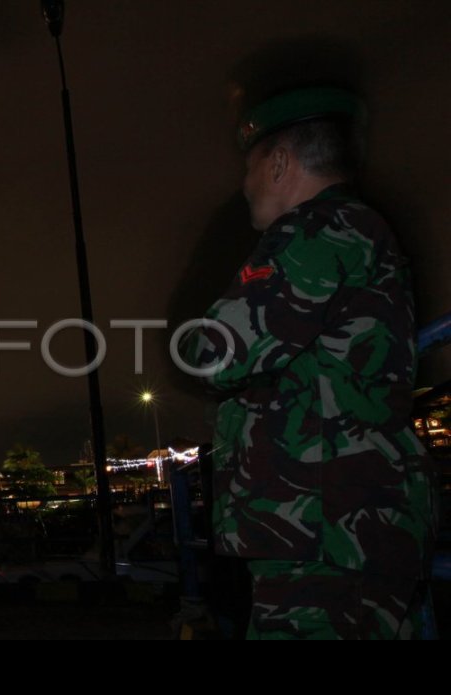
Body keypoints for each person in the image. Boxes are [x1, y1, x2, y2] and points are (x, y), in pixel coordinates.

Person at [183, 86, 438, 639]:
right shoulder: (356, 227)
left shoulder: (314, 231)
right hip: (349, 522)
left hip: (325, 528)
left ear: (278, 163)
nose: (243, 183)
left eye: (249, 166)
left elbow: (216, 354)